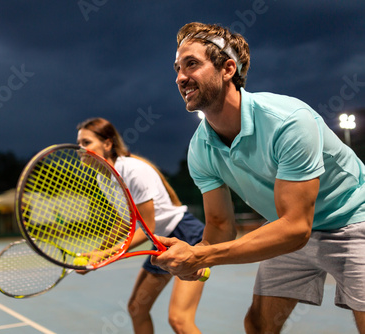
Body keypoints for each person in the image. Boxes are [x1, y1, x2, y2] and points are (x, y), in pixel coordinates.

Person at [151, 21, 365, 333]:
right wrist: (195, 259)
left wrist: (201, 254)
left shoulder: (289, 121)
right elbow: (221, 225)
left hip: (354, 222)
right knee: (259, 324)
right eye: (177, 68)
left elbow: (295, 228)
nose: (180, 77)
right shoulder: (200, 148)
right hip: (292, 230)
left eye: (192, 64)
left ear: (227, 69)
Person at [77, 117, 206, 334]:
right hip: (160, 241)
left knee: (179, 320)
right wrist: (99, 251)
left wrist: (110, 253)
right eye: (79, 143)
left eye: (86, 143)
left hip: (184, 235)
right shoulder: (104, 177)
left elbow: (148, 226)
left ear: (107, 144)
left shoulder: (133, 170)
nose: (80, 149)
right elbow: (125, 222)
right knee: (137, 308)